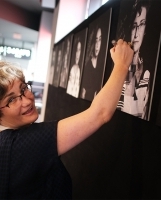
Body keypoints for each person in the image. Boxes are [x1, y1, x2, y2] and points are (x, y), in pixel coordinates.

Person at [0, 39, 133, 199]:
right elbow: (100, 114)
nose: (27, 101)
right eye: (11, 100)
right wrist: (122, 64)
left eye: (23, 89)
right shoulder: (21, 145)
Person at [117, 0, 150, 119]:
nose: (136, 34)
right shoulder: (119, 66)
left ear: (146, 29)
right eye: (134, 26)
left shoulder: (147, 73)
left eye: (141, 24)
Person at [81, 27, 102, 100]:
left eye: (100, 40)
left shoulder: (101, 66)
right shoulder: (88, 65)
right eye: (96, 40)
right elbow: (83, 93)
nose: (97, 45)